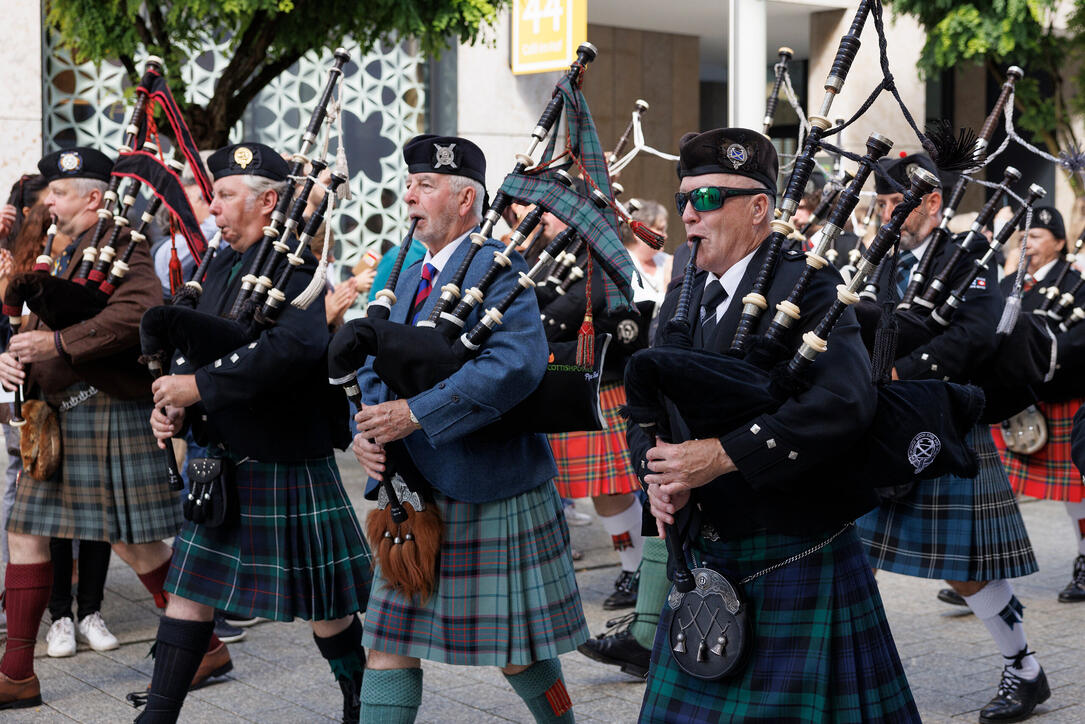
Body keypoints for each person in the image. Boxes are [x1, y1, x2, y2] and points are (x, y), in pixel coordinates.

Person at [631, 128, 917, 722]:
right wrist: (655, 473)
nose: (689, 213)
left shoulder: (807, 283)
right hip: (706, 553)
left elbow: (844, 401)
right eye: (684, 199)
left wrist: (721, 455)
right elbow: (650, 406)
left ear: (759, 208)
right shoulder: (684, 286)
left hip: (792, 544)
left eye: (708, 198)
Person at [352, 134, 587, 722]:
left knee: (519, 654)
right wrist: (369, 429)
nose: (409, 195)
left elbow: (515, 365)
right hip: (410, 491)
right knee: (386, 645)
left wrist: (415, 414)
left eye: (425, 185)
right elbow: (374, 359)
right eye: (408, 184)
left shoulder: (500, 268)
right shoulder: (407, 272)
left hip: (489, 481)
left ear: (464, 200)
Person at [142, 142, 372, 723]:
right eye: (214, 196)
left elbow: (293, 348)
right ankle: (158, 715)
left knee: (326, 605)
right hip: (218, 455)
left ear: (268, 201)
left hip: (282, 454)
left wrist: (200, 388)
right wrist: (175, 404)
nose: (213, 208)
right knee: (189, 592)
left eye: (225, 195)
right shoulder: (217, 264)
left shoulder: (298, 269)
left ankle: (360, 700)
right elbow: (195, 340)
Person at [0, 147, 196, 710]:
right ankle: (17, 673)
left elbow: (137, 315)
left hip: (104, 405)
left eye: (59, 194)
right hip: (61, 410)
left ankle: (201, 645)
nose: (49, 204)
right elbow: (36, 321)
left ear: (93, 198)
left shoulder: (124, 246)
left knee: (132, 542)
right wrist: (15, 357)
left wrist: (57, 344)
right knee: (25, 530)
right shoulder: (60, 250)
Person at [856, 154, 1047, 723]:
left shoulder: (968, 255)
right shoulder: (880, 260)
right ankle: (842, 671)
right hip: (882, 424)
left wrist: (901, 372)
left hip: (945, 419)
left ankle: (1025, 668)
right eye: (882, 204)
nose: (888, 215)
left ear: (933, 202)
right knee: (851, 551)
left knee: (965, 569)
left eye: (897, 204)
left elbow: (977, 334)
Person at [537, 207, 647, 611]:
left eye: (553, 214)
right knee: (602, 494)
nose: (545, 220)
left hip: (603, 389)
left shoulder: (601, 262)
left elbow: (556, 318)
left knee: (611, 492)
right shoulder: (561, 257)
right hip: (574, 386)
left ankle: (639, 569)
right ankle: (635, 567)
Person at [992, 206, 1085, 602]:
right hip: (1013, 403)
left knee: (1077, 495)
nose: (1026, 243)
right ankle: (984, 575)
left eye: (1036, 236)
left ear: (1060, 242)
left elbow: (1077, 342)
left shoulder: (1077, 284)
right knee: (997, 490)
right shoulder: (1010, 284)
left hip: (1059, 396)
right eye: (1023, 237)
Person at [152, 152, 217, 298]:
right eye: (203, 198)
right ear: (175, 212)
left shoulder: (217, 242)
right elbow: (208, 231)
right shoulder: (168, 249)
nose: (212, 203)